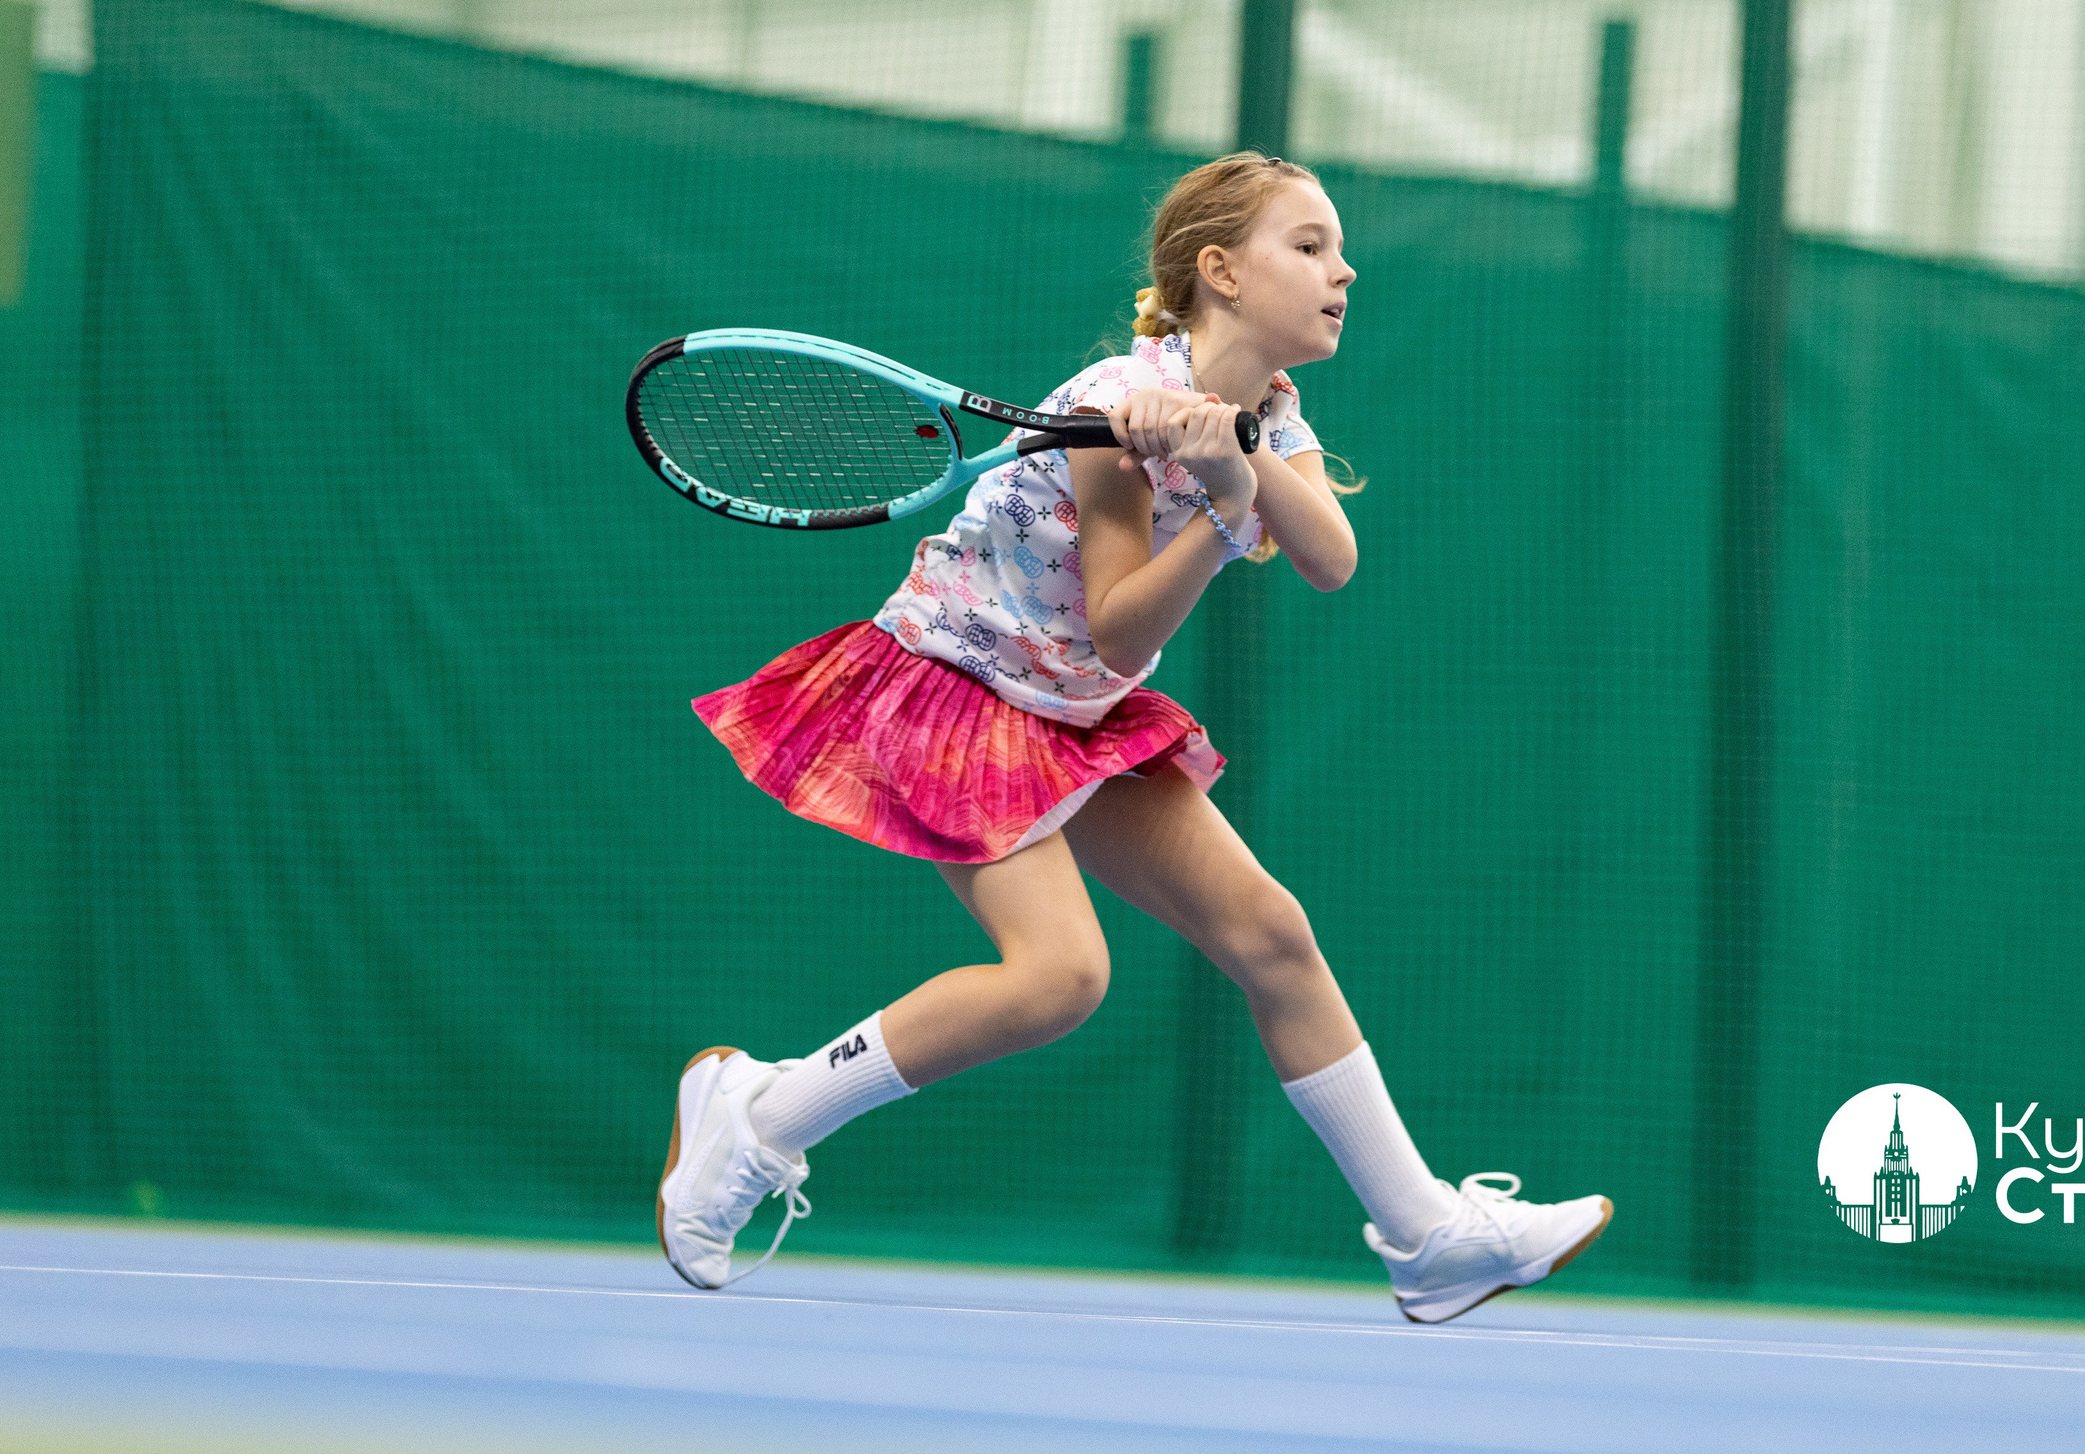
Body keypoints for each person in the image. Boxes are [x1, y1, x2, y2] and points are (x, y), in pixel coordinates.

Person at [658, 151, 1610, 1323]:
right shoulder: (1110, 405)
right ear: (1219, 271)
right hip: (958, 687)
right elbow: (1116, 631)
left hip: (1069, 710)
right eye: (1307, 245)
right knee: (1059, 978)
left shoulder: (1269, 413)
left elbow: (1331, 558)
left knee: (1270, 932)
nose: (1343, 269)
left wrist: (1235, 459)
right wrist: (1214, 508)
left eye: (1336, 246)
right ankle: (757, 1116)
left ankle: (1426, 1238)